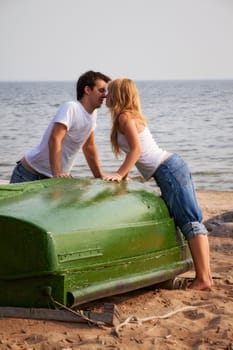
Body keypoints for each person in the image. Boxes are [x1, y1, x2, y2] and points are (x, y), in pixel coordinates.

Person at [104, 78, 212, 291]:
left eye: (109, 92)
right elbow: (135, 153)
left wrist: (118, 173)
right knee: (191, 221)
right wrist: (123, 181)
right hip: (169, 169)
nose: (106, 96)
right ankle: (204, 277)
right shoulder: (128, 116)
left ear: (118, 94)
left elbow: (136, 151)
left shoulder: (125, 117)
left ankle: (204, 279)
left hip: (169, 169)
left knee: (190, 222)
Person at [10, 70, 111, 183]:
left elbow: (89, 147)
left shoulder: (92, 115)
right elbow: (55, 139)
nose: (105, 95)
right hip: (29, 174)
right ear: (87, 90)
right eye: (101, 90)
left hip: (52, 177)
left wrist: (100, 177)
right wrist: (57, 174)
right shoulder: (71, 107)